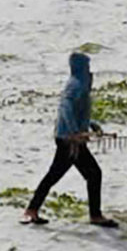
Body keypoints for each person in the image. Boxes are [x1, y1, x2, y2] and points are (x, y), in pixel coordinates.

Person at [20, 52, 118, 228]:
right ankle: (94, 216)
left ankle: (32, 210)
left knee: (70, 174)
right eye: (87, 67)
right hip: (69, 142)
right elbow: (65, 107)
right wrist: (74, 132)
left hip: (70, 139)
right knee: (91, 173)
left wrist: (91, 125)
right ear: (81, 68)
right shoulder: (76, 85)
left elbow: (78, 112)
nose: (90, 71)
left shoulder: (78, 83)